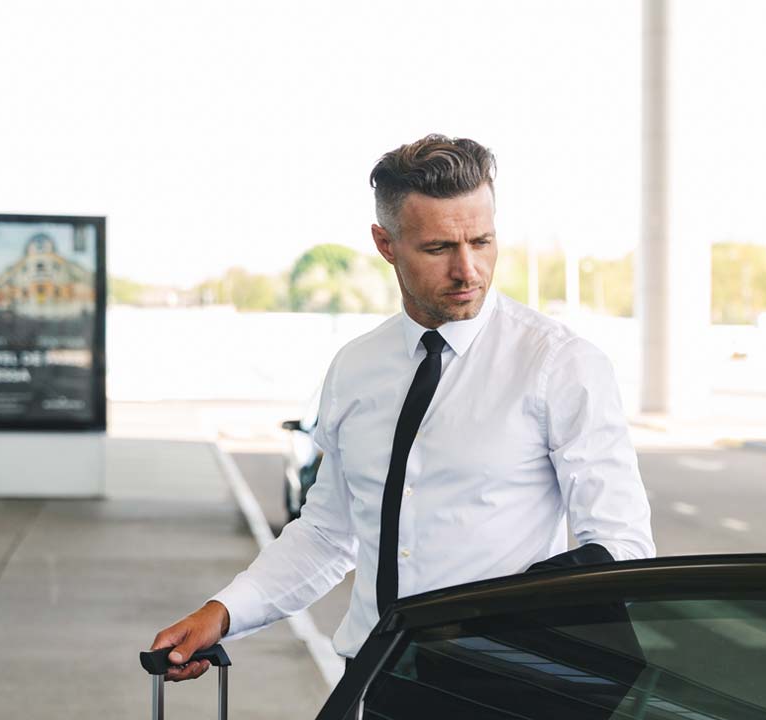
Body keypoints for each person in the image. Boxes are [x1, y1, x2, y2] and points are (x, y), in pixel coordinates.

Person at [150, 134, 654, 680]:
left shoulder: (560, 365)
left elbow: (621, 546)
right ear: (386, 243)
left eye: (482, 242)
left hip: (507, 684)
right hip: (369, 682)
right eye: (438, 249)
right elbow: (327, 534)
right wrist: (223, 614)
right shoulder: (356, 367)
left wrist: (500, 615)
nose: (468, 270)